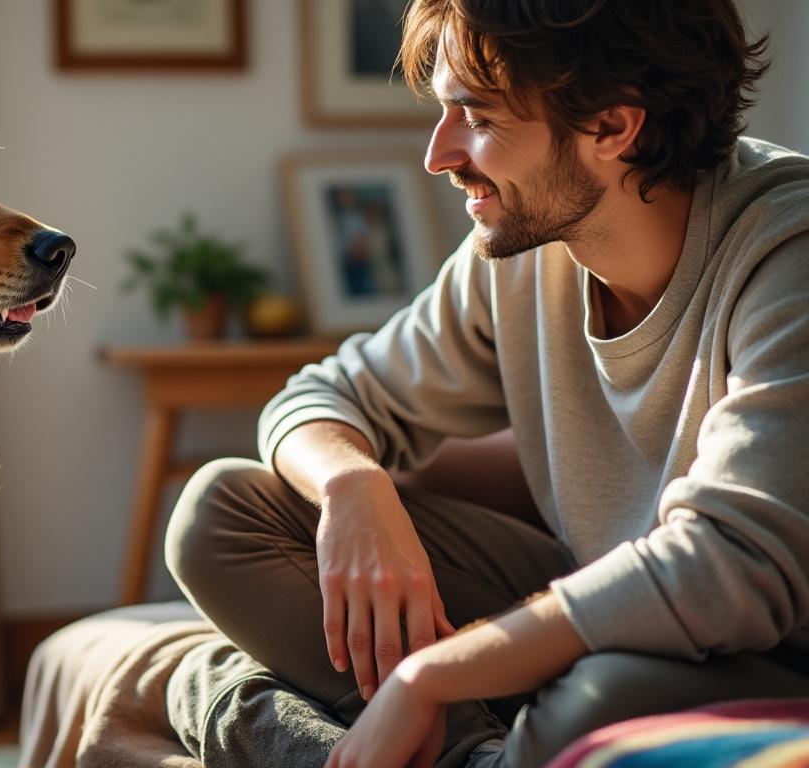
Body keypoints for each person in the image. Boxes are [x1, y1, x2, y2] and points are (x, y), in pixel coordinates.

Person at [162, 1, 809, 767]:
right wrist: (352, 488)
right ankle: (469, 753)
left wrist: (430, 675)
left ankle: (270, 719)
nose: (437, 154)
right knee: (222, 512)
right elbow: (322, 398)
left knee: (598, 702)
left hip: (765, 645)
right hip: (595, 593)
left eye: (474, 116)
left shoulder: (784, 251)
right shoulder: (523, 254)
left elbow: (734, 564)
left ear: (612, 127)